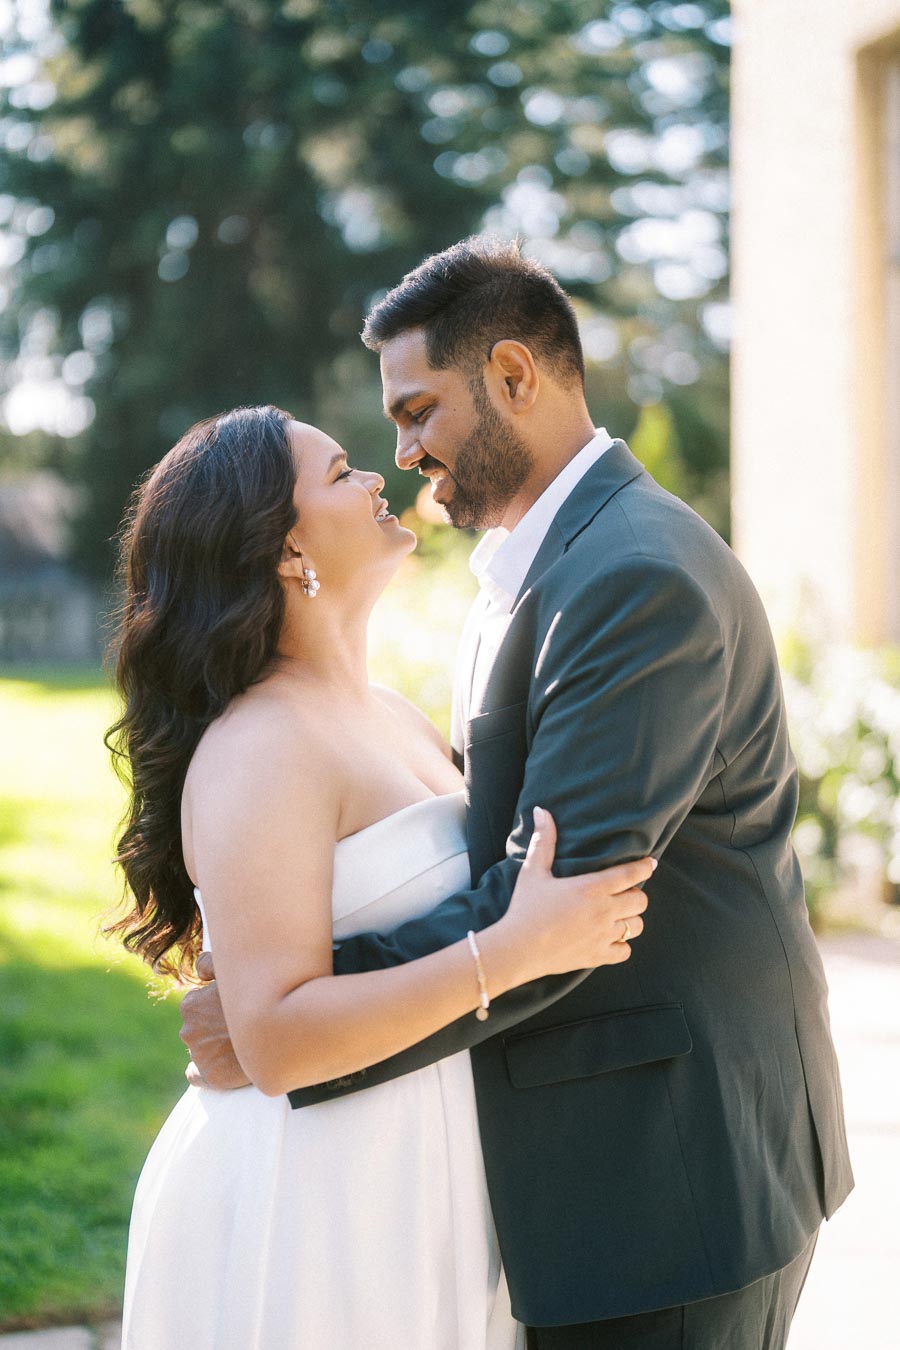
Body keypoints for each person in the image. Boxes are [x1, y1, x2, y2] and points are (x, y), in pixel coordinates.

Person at [182, 239, 854, 1350]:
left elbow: (567, 904)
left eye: (417, 411)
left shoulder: (630, 575)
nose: (404, 454)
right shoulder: (541, 566)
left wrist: (289, 1015)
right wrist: (278, 1005)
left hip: (672, 1176)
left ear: (511, 377)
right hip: (599, 1161)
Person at [109, 404, 654, 1350]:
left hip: (423, 1167)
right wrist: (512, 952)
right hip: (316, 1194)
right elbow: (274, 1038)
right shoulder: (262, 747)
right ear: (286, 547)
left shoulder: (392, 713)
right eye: (342, 471)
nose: (377, 479)